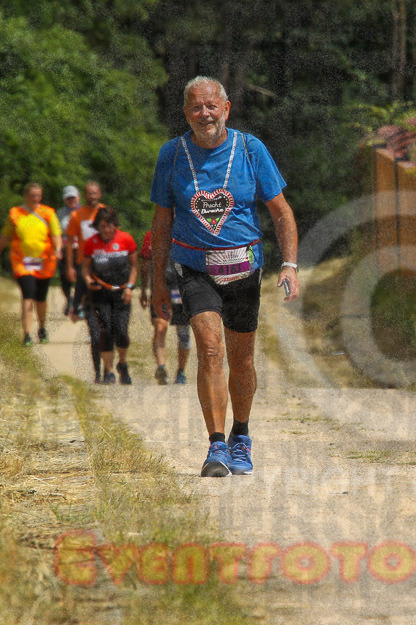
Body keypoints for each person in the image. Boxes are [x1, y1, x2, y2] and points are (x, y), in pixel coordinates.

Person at [150, 75, 300, 478]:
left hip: (244, 269)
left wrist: (290, 264)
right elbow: (162, 222)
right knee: (210, 350)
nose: (204, 114)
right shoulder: (172, 154)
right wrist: (157, 281)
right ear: (186, 113)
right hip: (195, 267)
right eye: (196, 107)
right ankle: (216, 446)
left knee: (242, 359)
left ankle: (241, 435)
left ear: (226, 108)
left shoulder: (251, 149)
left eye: (211, 106)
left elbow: (281, 211)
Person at [0, 182, 63, 346]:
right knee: (28, 296)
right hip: (22, 262)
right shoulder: (15, 214)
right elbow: (4, 237)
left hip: (45, 262)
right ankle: (27, 334)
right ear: (26, 196)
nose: (36, 198)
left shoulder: (48, 213)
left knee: (40, 299)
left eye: (39, 196)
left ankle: (42, 328)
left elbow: (56, 234)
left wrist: (58, 249)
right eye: (33, 195)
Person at [80, 206, 138, 385]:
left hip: (121, 292)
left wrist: (130, 287)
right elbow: (85, 268)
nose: (106, 230)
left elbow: (134, 266)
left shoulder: (126, 239)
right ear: (97, 227)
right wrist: (89, 280)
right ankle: (109, 371)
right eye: (102, 226)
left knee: (120, 330)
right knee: (105, 330)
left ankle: (122, 363)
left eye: (109, 226)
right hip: (100, 293)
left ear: (115, 225)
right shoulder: (91, 243)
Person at [138, 229, 191, 385]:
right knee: (160, 328)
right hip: (160, 288)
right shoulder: (152, 235)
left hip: (180, 290)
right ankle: (161, 367)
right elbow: (146, 264)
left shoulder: (188, 232)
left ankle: (181, 371)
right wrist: (143, 290)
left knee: (183, 333)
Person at [66, 181, 106, 380]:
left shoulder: (106, 213)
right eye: (89, 193)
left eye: (95, 192)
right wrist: (70, 266)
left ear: (99, 194)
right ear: (84, 195)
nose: (92, 196)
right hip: (84, 265)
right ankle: (80, 310)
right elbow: (69, 242)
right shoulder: (77, 216)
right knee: (89, 305)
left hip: (106, 268)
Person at [56, 185, 81, 315]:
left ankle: (78, 303)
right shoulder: (60, 213)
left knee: (80, 276)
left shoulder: (84, 211)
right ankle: (69, 299)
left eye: (73, 197)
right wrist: (58, 249)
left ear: (78, 197)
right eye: (68, 198)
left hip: (80, 249)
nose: (71, 200)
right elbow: (57, 233)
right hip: (66, 249)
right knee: (64, 278)